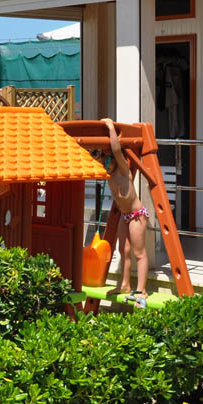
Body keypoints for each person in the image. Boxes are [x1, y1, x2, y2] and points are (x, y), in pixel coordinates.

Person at [92, 118, 148, 302]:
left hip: (137, 215)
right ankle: (124, 285)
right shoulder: (109, 175)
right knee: (123, 250)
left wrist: (110, 127)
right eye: (104, 165)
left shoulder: (123, 170)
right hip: (125, 215)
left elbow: (116, 150)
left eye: (107, 163)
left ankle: (141, 290)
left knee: (139, 253)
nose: (106, 168)